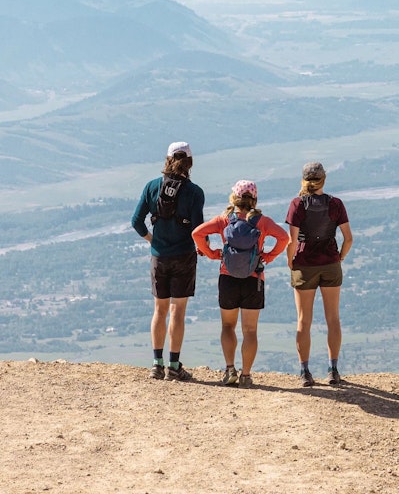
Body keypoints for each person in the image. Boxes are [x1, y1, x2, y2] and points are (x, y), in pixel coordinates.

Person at [192, 179, 289, 388]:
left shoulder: (224, 220)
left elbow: (197, 233)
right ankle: (245, 375)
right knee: (250, 330)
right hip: (253, 280)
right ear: (254, 199)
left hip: (227, 279)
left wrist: (212, 254)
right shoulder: (262, 222)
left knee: (228, 326)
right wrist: (268, 257)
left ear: (233, 198)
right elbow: (284, 238)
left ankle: (230, 370)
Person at [131, 141, 205, 381]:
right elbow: (197, 230)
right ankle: (174, 366)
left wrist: (153, 240)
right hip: (183, 256)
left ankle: (156, 364)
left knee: (159, 310)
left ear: (167, 160)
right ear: (190, 163)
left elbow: (136, 221)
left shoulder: (152, 186)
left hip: (159, 257)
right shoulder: (195, 192)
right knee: (178, 311)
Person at [284, 161, 353, 386]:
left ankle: (305, 372)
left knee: (304, 320)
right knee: (333, 318)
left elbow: (292, 242)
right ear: (324, 179)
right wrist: (339, 257)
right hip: (331, 262)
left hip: (305, 264)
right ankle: (333, 370)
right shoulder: (336, 204)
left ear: (304, 180)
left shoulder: (297, 204)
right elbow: (348, 238)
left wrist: (290, 262)